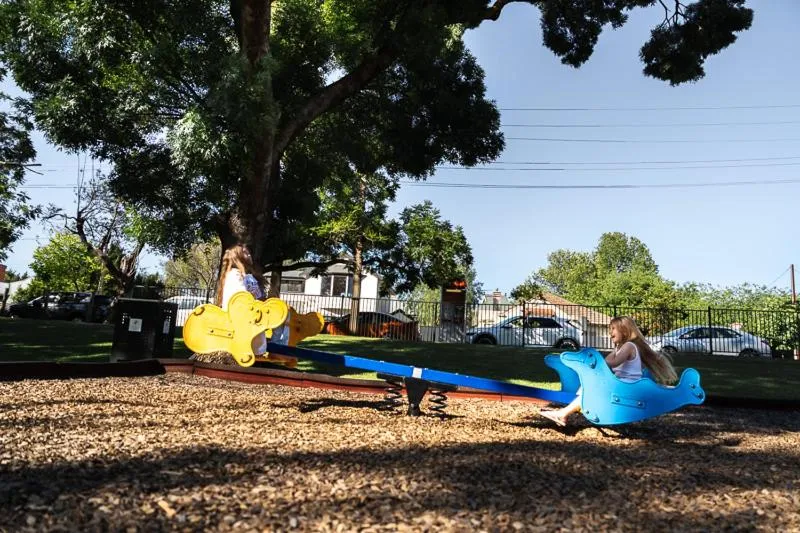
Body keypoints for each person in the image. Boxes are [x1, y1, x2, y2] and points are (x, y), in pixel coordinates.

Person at [539, 316, 678, 427]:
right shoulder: (620, 348)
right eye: (609, 329)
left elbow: (612, 363)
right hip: (621, 383)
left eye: (613, 329)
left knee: (594, 388)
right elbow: (606, 364)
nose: (610, 332)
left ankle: (563, 414)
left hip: (626, 385)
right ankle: (576, 408)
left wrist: (595, 362)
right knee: (593, 385)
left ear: (624, 330)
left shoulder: (629, 346)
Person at [215, 244, 269, 356]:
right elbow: (242, 299)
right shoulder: (237, 276)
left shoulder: (239, 276)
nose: (249, 254)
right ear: (237, 256)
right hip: (242, 321)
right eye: (245, 252)